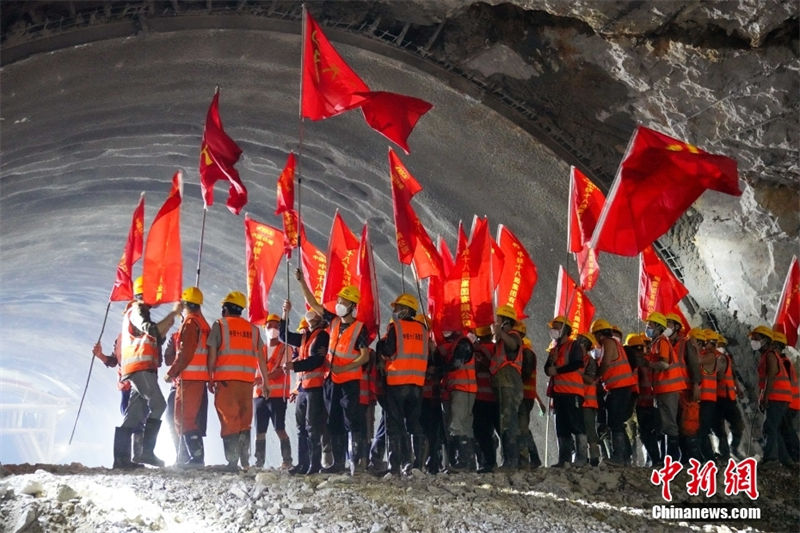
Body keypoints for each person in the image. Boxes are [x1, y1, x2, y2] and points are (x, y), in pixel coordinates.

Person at [295, 268, 370, 475]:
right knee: (333, 421)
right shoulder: (334, 321)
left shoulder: (359, 328)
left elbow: (365, 356)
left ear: (352, 306)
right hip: (331, 381)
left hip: (349, 382)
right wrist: (302, 282)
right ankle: (338, 464)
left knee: (351, 421)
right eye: (339, 300)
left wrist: (344, 367)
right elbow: (315, 305)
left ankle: (355, 464)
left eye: (344, 301)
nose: (340, 304)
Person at [105, 276, 180, 469]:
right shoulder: (137, 309)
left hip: (139, 369)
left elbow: (153, 337)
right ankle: (147, 453)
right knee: (159, 405)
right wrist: (172, 314)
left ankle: (121, 460)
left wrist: (169, 322)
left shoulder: (137, 312)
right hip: (140, 368)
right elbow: (151, 330)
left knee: (134, 415)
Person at [207, 291, 268, 471]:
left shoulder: (220, 325)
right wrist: (266, 382)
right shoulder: (254, 330)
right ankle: (245, 462)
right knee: (244, 420)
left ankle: (232, 462)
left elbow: (212, 354)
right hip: (247, 383)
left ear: (225, 308)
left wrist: (210, 377)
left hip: (226, 381)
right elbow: (261, 359)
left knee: (229, 420)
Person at [376, 294, 429, 476]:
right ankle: (416, 467)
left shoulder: (395, 327)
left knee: (395, 425)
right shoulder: (423, 329)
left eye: (397, 308)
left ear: (406, 310)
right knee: (414, 424)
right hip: (417, 383)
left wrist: (380, 345)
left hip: (397, 382)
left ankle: (395, 468)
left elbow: (389, 350)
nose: (395, 311)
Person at [163, 287, 210, 467]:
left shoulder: (191, 323)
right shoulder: (204, 324)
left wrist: (171, 373)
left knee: (183, 419)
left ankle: (196, 458)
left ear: (185, 304)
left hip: (189, 378)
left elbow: (185, 353)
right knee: (190, 419)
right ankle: (194, 457)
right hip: (199, 378)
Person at [281, 303, 329, 475]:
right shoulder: (304, 338)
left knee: (312, 428)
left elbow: (317, 360)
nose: (310, 317)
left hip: (315, 389)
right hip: (302, 389)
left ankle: (314, 464)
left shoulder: (322, 336)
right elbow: (283, 336)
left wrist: (294, 365)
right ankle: (303, 464)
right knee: (301, 427)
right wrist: (285, 314)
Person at [592, 318, 638, 465]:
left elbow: (605, 364)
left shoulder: (608, 343)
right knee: (615, 420)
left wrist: (596, 377)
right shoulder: (615, 344)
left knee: (615, 420)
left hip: (620, 387)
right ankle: (624, 455)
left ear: (599, 334)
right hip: (618, 387)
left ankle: (619, 456)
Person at [644, 312, 687, 462]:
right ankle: (668, 458)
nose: (647, 327)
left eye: (650, 324)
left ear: (657, 327)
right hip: (663, 388)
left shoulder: (661, 341)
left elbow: (664, 364)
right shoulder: (656, 342)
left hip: (668, 388)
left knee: (669, 423)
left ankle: (672, 459)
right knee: (665, 423)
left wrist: (648, 364)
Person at [253, 314, 293, 469]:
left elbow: (281, 372)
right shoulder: (260, 349)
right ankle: (259, 462)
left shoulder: (286, 348)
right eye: (269, 326)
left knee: (280, 428)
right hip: (259, 396)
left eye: (277, 326)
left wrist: (262, 380)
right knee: (259, 430)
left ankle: (287, 461)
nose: (273, 329)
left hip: (277, 395)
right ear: (265, 328)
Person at [544, 316, 585, 467]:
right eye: (553, 327)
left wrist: (558, 370)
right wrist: (552, 362)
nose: (553, 330)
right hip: (558, 393)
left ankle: (581, 458)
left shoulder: (573, 346)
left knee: (576, 424)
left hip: (572, 391)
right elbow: (547, 370)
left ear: (565, 329)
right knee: (561, 427)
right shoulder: (554, 349)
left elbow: (577, 363)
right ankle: (564, 459)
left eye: (557, 327)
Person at [489, 305, 523, 471]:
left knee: (508, 422)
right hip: (503, 383)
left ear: (506, 322)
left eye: (499, 319)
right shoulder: (501, 339)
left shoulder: (513, 335)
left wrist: (500, 333)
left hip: (509, 383)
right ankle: (509, 460)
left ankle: (511, 461)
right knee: (504, 422)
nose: (496, 322)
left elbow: (513, 346)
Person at [439, 327, 476, 472]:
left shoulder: (464, 343)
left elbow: (456, 363)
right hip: (455, 389)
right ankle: (464, 463)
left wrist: (440, 368)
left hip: (463, 389)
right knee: (458, 426)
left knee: (458, 425)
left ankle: (463, 463)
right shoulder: (453, 344)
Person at [626, 334, 661, 466]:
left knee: (645, 433)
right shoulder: (650, 360)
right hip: (655, 401)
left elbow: (634, 384)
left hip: (641, 403)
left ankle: (655, 460)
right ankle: (657, 459)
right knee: (656, 432)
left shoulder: (634, 363)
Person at [711, 333, 745, 460]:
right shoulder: (712, 358)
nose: (722, 347)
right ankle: (724, 455)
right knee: (719, 429)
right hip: (717, 398)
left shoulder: (726, 358)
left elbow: (732, 375)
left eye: (723, 345)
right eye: (720, 344)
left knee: (738, 425)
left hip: (730, 398)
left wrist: (738, 388)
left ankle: (733, 448)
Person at [516, 323, 544, 469]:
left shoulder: (526, 353)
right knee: (524, 427)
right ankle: (534, 458)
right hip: (525, 395)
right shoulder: (524, 352)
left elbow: (525, 375)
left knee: (522, 427)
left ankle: (525, 458)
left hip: (524, 396)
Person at [578, 331, 601, 467]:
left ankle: (594, 458)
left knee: (590, 431)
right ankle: (581, 457)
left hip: (587, 401)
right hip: (578, 400)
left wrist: (578, 373)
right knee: (579, 430)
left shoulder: (589, 361)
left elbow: (589, 379)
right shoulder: (576, 360)